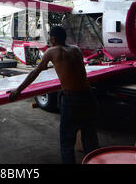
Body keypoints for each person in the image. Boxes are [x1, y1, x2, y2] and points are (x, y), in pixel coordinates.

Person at [9, 25, 99, 164]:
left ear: (53, 38)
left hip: (72, 100)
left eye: (50, 37)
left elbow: (35, 73)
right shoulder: (76, 50)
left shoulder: (52, 51)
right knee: (90, 137)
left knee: (67, 142)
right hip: (88, 96)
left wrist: (18, 90)